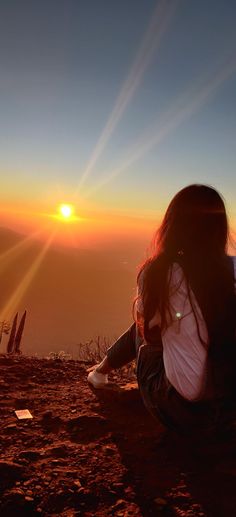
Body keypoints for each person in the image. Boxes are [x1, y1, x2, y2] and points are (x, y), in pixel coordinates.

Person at [88, 184, 236, 434]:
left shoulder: (160, 273)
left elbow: (147, 331)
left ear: (173, 223)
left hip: (183, 415)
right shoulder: (231, 268)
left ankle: (100, 373)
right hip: (229, 411)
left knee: (146, 326)